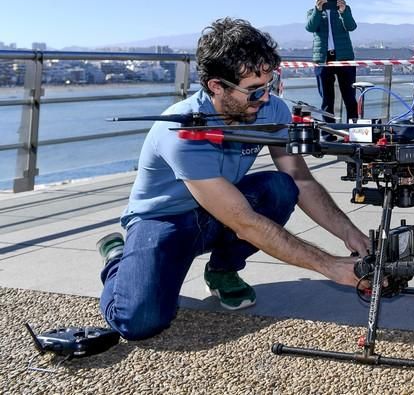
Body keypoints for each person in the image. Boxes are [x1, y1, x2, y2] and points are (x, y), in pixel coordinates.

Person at [96, 18, 369, 341]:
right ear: (216, 86)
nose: (265, 98)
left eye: (269, 85)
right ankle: (118, 259)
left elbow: (301, 180)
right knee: (139, 322)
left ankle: (223, 270)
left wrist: (349, 233)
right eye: (254, 91)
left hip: (220, 213)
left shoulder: (271, 111)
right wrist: (329, 266)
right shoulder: (183, 131)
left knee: (281, 188)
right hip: (164, 221)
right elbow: (245, 222)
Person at [305, 0, 359, 122]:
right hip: (323, 59)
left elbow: (351, 26)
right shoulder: (312, 12)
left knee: (350, 97)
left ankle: (355, 132)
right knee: (327, 99)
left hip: (344, 57)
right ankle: (329, 134)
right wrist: (318, 10)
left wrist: (343, 11)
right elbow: (310, 27)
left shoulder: (343, 9)